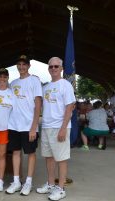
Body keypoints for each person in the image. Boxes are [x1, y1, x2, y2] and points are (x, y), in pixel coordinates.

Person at [36, 57, 75, 201]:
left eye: (56, 66)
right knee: (48, 157)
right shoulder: (45, 87)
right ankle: (51, 184)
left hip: (59, 127)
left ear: (61, 68)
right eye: (51, 66)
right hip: (46, 126)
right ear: (48, 68)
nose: (53, 69)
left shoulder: (65, 85)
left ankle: (61, 188)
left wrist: (64, 128)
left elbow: (69, 107)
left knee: (61, 158)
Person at [5, 55, 42, 196]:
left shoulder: (35, 81)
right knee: (15, 152)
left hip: (28, 126)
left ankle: (28, 182)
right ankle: (16, 181)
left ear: (28, 66)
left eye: (24, 64)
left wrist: (34, 127)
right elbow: (3, 94)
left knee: (30, 154)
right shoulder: (13, 83)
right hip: (14, 125)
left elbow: (38, 104)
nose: (21, 67)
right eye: (19, 64)